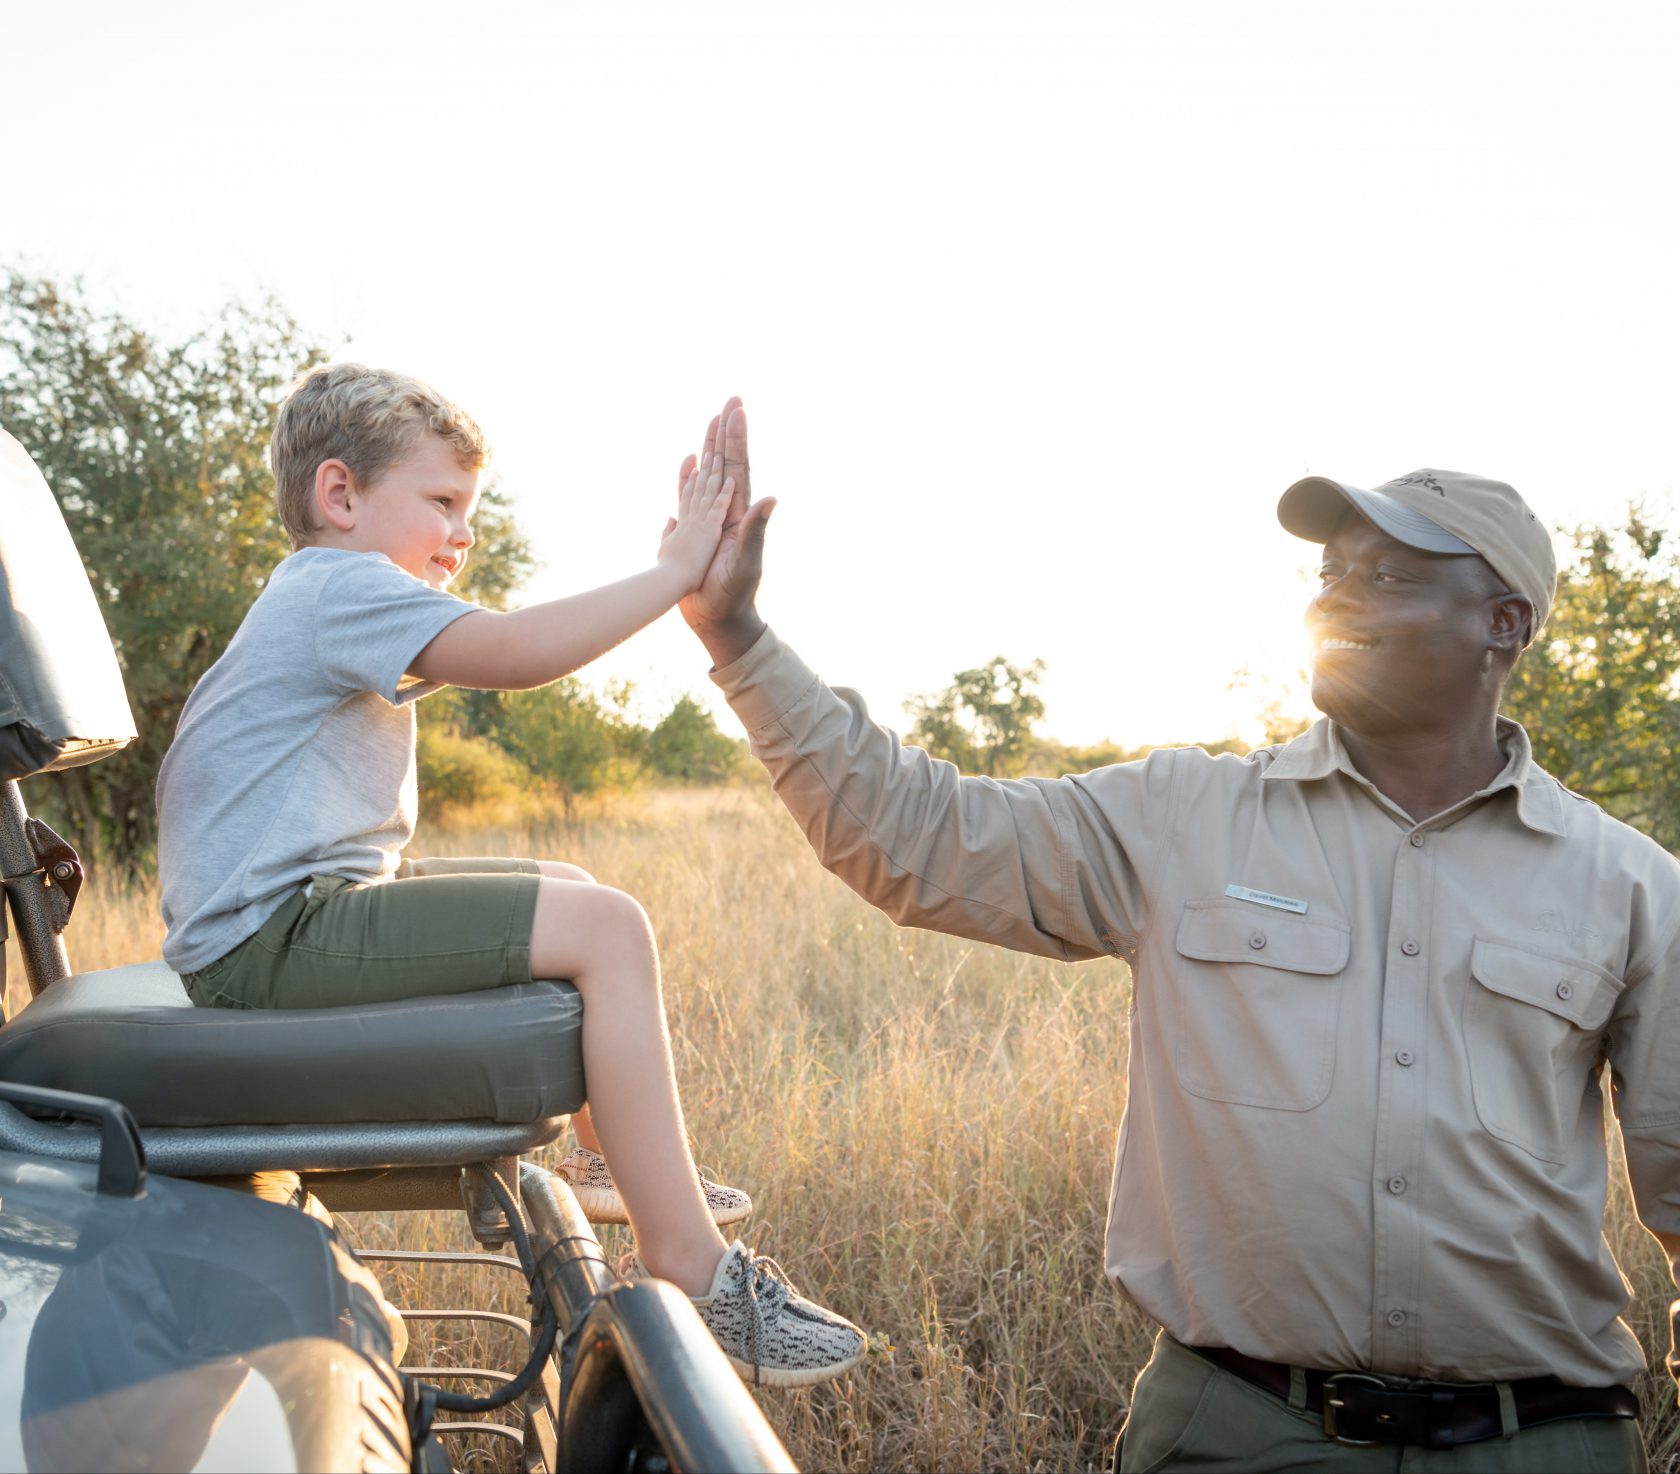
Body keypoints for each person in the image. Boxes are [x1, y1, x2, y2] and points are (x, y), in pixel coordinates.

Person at [680, 399, 1678, 1469]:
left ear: (1505, 624)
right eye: (1332, 572)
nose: (1340, 595)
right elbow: (913, 836)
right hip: (1242, 1431)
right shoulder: (1184, 816)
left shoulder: (1630, 885)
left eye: (1391, 576)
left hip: (1543, 1442)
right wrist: (737, 635)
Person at [155, 364, 865, 1388]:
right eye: (441, 502)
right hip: (274, 937)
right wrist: (674, 573)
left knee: (569, 882)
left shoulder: (324, 591)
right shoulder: (338, 583)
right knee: (610, 928)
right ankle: (692, 1268)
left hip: (281, 919)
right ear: (341, 496)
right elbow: (521, 649)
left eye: (469, 512)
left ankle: (593, 1157)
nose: (461, 533)